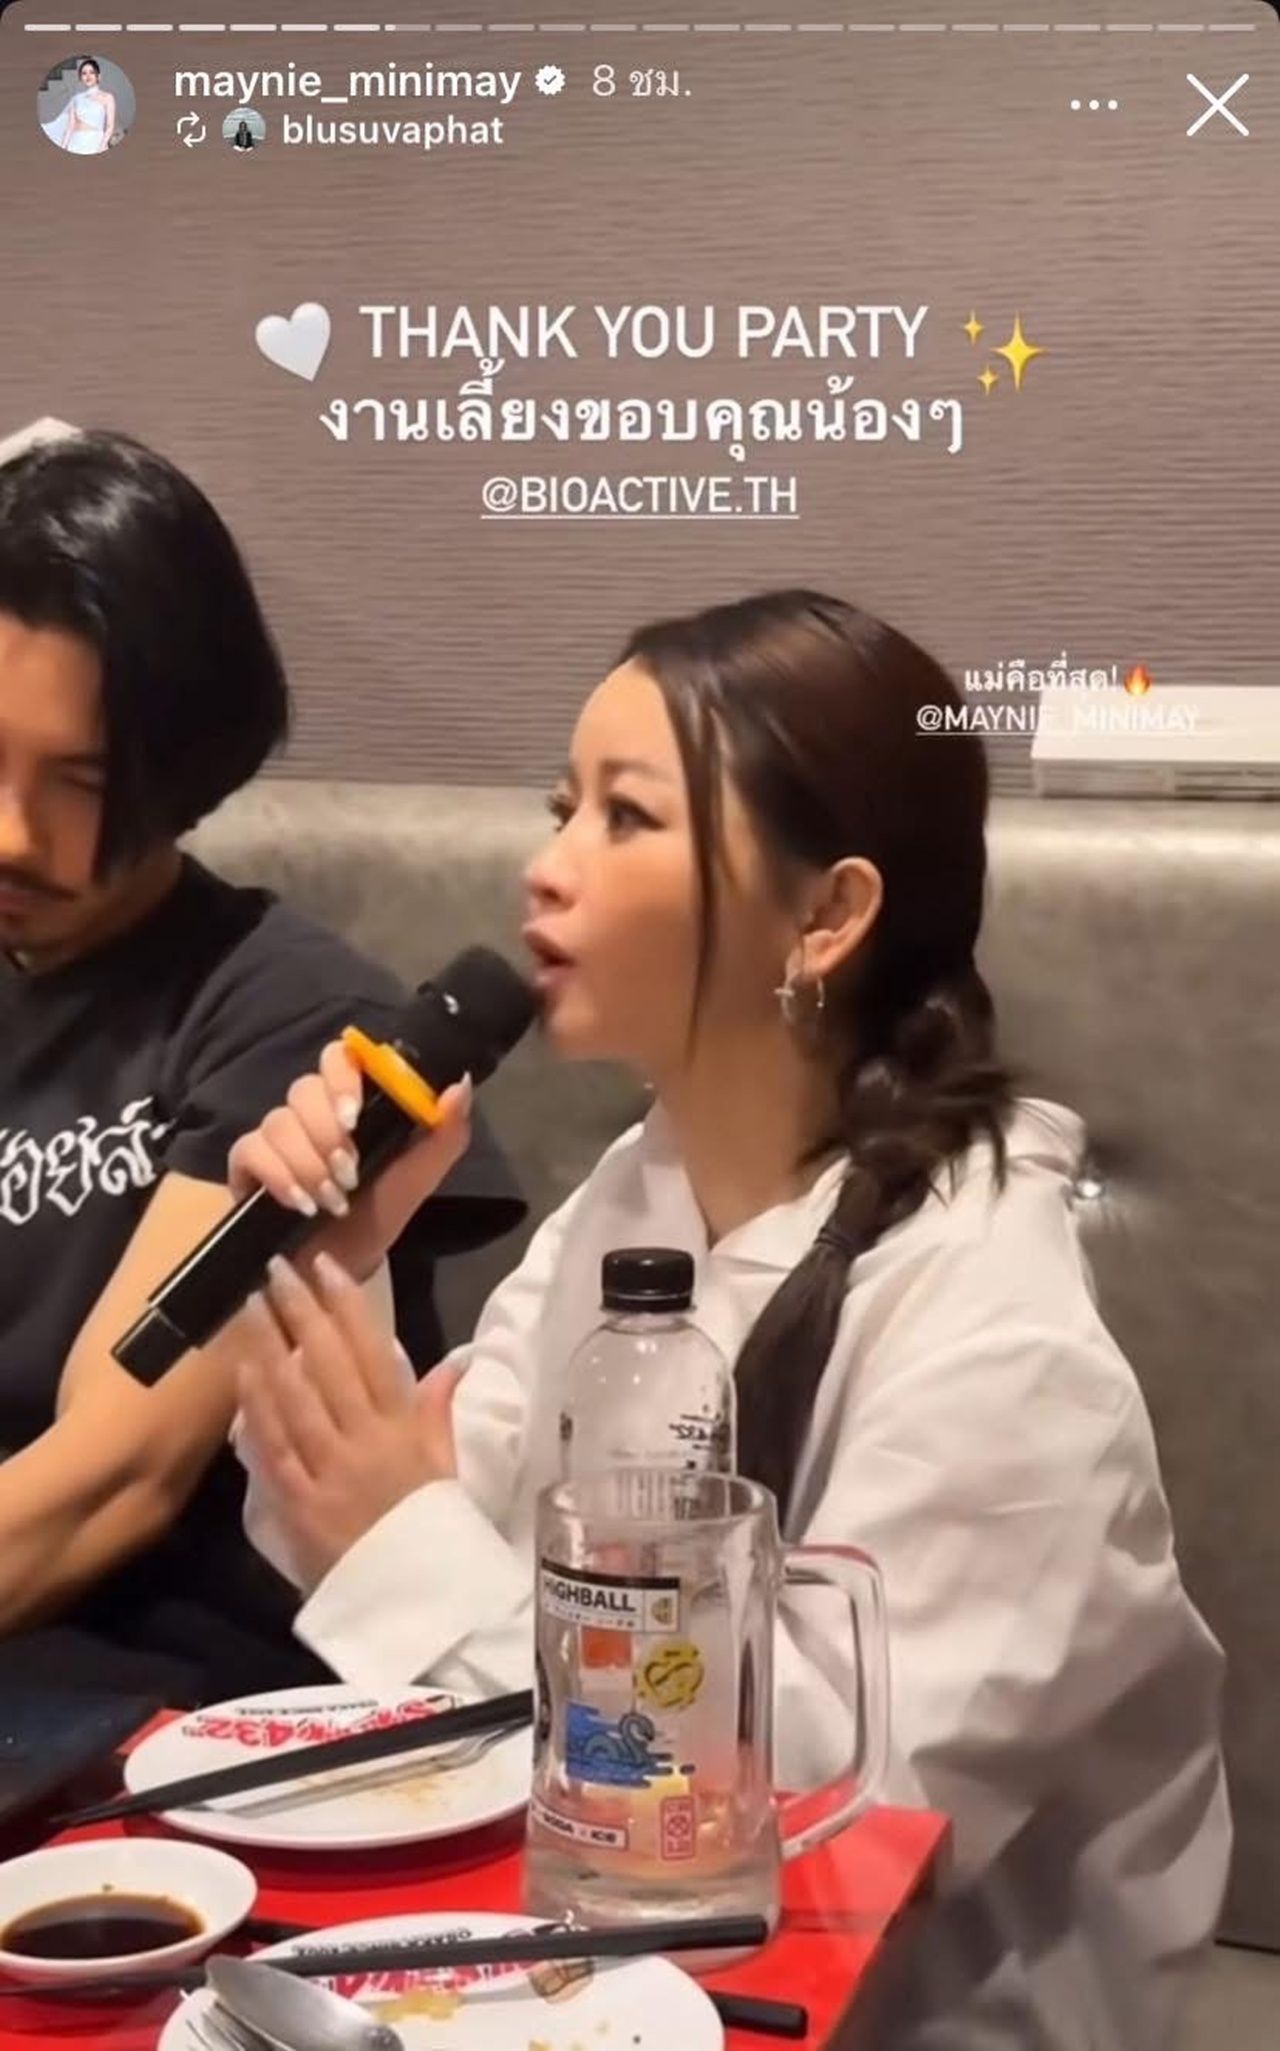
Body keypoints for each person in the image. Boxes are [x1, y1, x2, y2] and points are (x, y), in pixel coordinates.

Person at [230, 589, 1230, 2048]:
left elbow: (835, 1806)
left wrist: (401, 1536)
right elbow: (397, 1519)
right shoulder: (638, 1197)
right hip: (589, 1956)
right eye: (560, 808)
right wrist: (339, 1253)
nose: (545, 868)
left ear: (825, 914)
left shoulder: (996, 1329)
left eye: (625, 817)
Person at [0, 428, 524, 1703]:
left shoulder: (294, 1019)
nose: (11, 831)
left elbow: (110, 1476)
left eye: (81, 779)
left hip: (162, 1701)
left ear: (182, 766)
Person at [49, 58, 116, 155]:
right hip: (75, 142)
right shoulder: (76, 99)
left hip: (95, 142)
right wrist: (63, 146)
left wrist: (102, 146)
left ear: (98, 76)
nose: (88, 76)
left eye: (91, 72)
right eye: (84, 73)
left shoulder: (107, 97)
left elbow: (110, 126)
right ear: (80, 78)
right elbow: (70, 127)